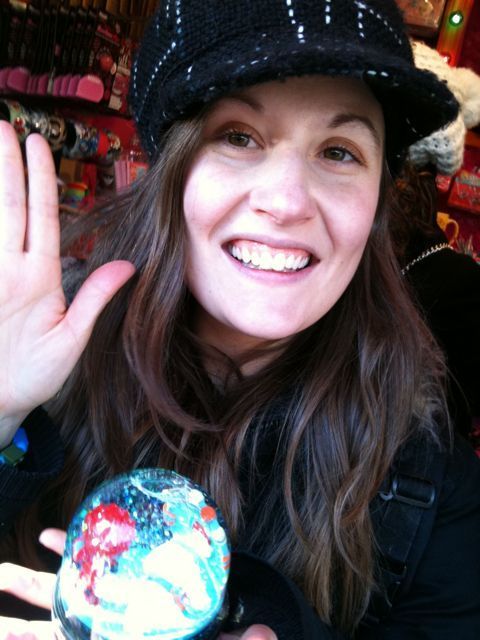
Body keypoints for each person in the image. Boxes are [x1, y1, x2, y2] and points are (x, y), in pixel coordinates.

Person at [0, 1, 479, 638]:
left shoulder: (434, 489)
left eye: (339, 151)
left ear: (377, 204)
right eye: (238, 137)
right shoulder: (39, 361)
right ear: (169, 173)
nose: (286, 201)